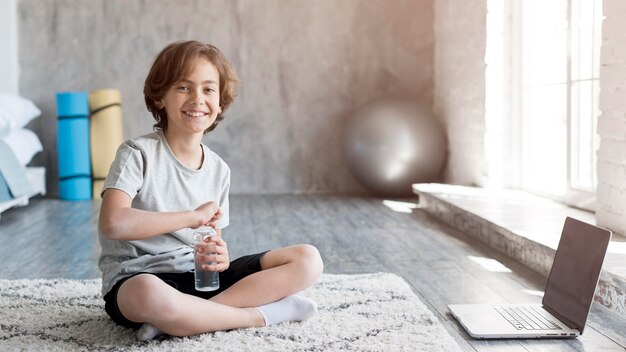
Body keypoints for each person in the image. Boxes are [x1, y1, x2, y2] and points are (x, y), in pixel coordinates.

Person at [98, 40, 324, 341]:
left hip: (197, 280)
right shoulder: (137, 153)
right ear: (160, 96)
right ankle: (259, 316)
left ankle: (181, 320)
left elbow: (211, 241)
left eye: (208, 89)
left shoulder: (218, 169)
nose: (197, 99)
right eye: (183, 87)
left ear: (220, 102)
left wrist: (218, 256)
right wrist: (191, 217)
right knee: (149, 294)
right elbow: (114, 223)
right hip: (138, 280)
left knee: (307, 259)